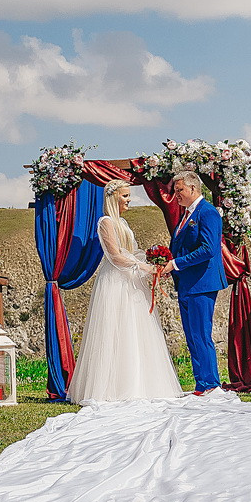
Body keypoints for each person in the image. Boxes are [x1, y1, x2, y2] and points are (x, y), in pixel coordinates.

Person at [67, 179, 183, 403]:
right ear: (113, 197)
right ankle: (112, 387)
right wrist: (145, 267)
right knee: (115, 330)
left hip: (130, 279)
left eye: (129, 195)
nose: (129, 200)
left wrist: (152, 264)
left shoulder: (123, 223)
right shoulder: (106, 222)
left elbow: (131, 252)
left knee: (135, 330)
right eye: (125, 196)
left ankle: (140, 383)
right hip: (115, 281)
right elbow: (115, 256)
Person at [163, 170, 227, 395]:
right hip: (187, 284)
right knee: (192, 336)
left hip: (202, 283)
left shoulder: (207, 212)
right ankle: (201, 383)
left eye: (179, 190)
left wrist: (176, 263)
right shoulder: (187, 214)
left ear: (193, 188)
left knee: (201, 334)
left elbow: (208, 249)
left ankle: (211, 383)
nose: (175, 195)